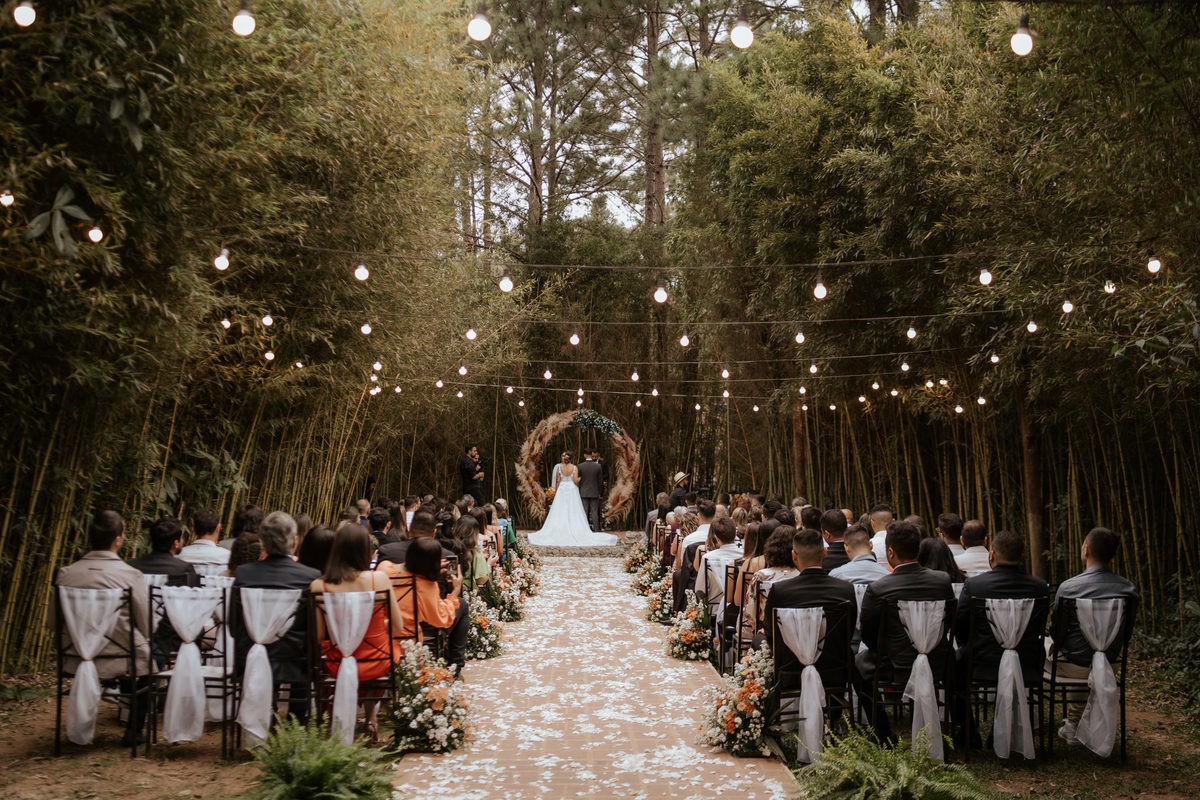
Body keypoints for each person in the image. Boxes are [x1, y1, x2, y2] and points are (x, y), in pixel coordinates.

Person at [52, 510, 151, 746]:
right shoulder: (130, 575)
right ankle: (132, 730)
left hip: (74, 655)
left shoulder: (66, 574)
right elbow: (146, 623)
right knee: (147, 661)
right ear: (118, 539)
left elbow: (53, 623)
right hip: (121, 657)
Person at [855, 520, 955, 743]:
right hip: (938, 662)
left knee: (858, 666)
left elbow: (869, 634)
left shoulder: (879, 588)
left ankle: (882, 733)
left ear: (890, 552)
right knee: (954, 661)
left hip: (893, 665)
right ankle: (966, 730)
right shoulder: (942, 581)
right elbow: (946, 622)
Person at [310, 524, 407, 742]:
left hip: (338, 661)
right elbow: (398, 627)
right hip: (376, 660)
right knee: (391, 647)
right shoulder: (377, 580)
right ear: (365, 550)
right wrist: (375, 623)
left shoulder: (318, 586)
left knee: (344, 649)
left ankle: (358, 713)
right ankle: (372, 717)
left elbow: (318, 636)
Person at [952, 529, 1049, 747]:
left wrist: (970, 645)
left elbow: (960, 625)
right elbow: (1038, 628)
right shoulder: (1039, 587)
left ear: (992, 555)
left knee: (952, 666)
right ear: (1022, 556)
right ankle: (1001, 730)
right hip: (1027, 662)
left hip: (980, 663)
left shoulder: (975, 586)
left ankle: (968, 731)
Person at [1045, 526, 1139, 745]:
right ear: (1113, 555)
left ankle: (1070, 725)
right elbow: (1126, 634)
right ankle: (1076, 725)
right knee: (1091, 657)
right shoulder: (1128, 590)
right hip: (1111, 662)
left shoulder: (1069, 588)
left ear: (1085, 549)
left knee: (1051, 647)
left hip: (1072, 665)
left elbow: (1057, 634)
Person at [231, 511, 321, 722]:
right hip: (295, 661)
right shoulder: (309, 576)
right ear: (294, 542)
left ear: (262, 543)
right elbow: (314, 629)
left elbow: (233, 626)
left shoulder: (243, 574)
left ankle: (267, 717)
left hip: (250, 656)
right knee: (305, 652)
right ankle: (297, 723)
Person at [529, 451, 617, 546]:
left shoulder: (559, 467)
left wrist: (556, 492)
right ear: (571, 459)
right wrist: (581, 478)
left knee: (560, 510)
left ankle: (560, 528)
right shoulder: (574, 467)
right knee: (573, 509)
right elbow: (575, 481)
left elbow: (558, 481)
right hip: (571, 489)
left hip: (562, 490)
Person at [740, 526, 800, 642]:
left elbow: (750, 613)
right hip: (796, 632)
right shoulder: (800, 575)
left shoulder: (761, 576)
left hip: (766, 633)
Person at [693, 516, 743, 621]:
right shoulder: (745, 558)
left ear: (716, 538)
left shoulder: (708, 558)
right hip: (741, 613)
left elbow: (700, 589)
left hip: (714, 611)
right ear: (734, 534)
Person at [127, 518, 200, 585]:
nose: (183, 541)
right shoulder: (184, 570)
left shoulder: (130, 566)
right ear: (175, 543)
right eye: (181, 538)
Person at [577, 449, 606, 532]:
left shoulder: (580, 466)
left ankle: (585, 530)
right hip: (594, 491)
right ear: (591, 454)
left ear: (585, 455)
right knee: (594, 512)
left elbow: (578, 479)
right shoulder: (598, 466)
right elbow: (600, 481)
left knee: (584, 512)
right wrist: (600, 492)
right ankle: (597, 530)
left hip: (583, 492)